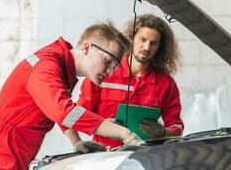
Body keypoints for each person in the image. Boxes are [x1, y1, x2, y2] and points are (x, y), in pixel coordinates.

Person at [0, 22, 145, 170]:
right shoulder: (46, 66)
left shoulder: (63, 67)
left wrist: (76, 141)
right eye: (107, 61)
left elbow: (56, 109)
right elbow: (63, 111)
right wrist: (124, 134)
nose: (110, 71)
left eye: (115, 67)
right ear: (87, 48)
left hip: (14, 158)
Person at [67, 14, 184, 149]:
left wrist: (163, 132)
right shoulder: (104, 72)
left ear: (160, 47)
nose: (146, 47)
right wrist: (103, 126)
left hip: (145, 156)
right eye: (143, 39)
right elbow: (75, 115)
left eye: (153, 43)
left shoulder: (166, 84)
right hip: (104, 155)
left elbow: (177, 126)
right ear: (132, 38)